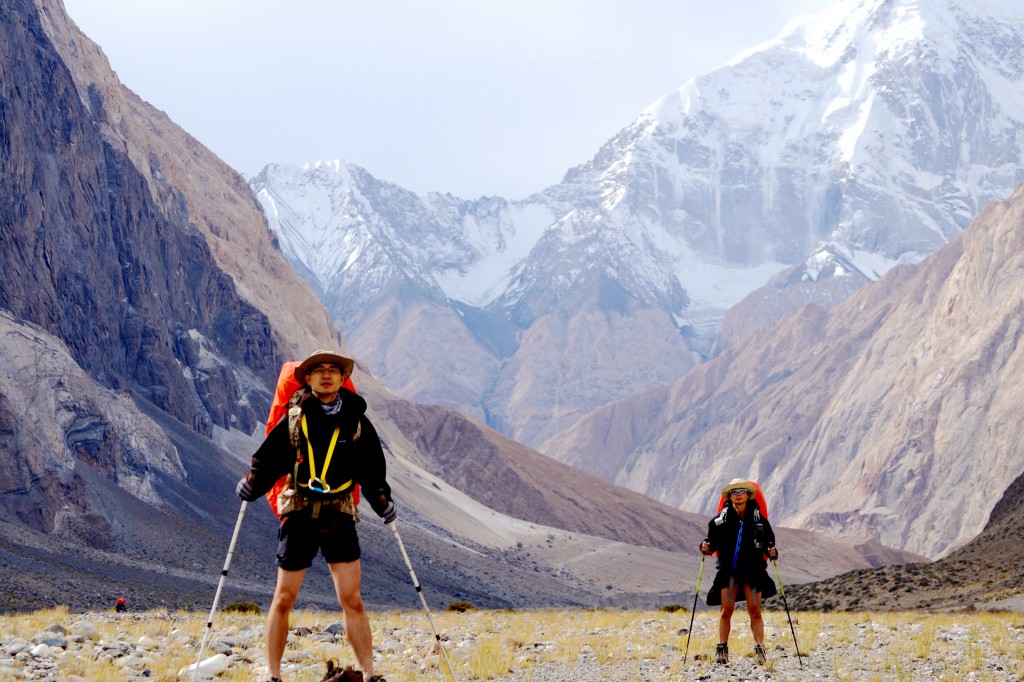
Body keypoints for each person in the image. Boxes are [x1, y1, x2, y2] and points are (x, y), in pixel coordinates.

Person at [236, 350, 396, 682]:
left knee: (351, 598)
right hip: (300, 514)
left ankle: (368, 675)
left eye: (333, 371)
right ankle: (273, 675)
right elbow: (270, 458)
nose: (326, 375)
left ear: (342, 379)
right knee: (284, 597)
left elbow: (371, 469)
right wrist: (252, 482)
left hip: (340, 513)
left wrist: (382, 502)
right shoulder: (295, 418)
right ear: (307, 379)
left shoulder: (355, 420)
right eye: (318, 370)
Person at [699, 478, 779, 666]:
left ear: (749, 495)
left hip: (752, 572)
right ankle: (721, 650)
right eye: (734, 492)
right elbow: (711, 543)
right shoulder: (720, 521)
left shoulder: (759, 520)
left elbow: (769, 544)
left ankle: (760, 650)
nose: (738, 494)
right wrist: (705, 547)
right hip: (730, 573)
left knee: (755, 610)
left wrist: (772, 552)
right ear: (729, 496)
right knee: (726, 610)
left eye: (741, 491)